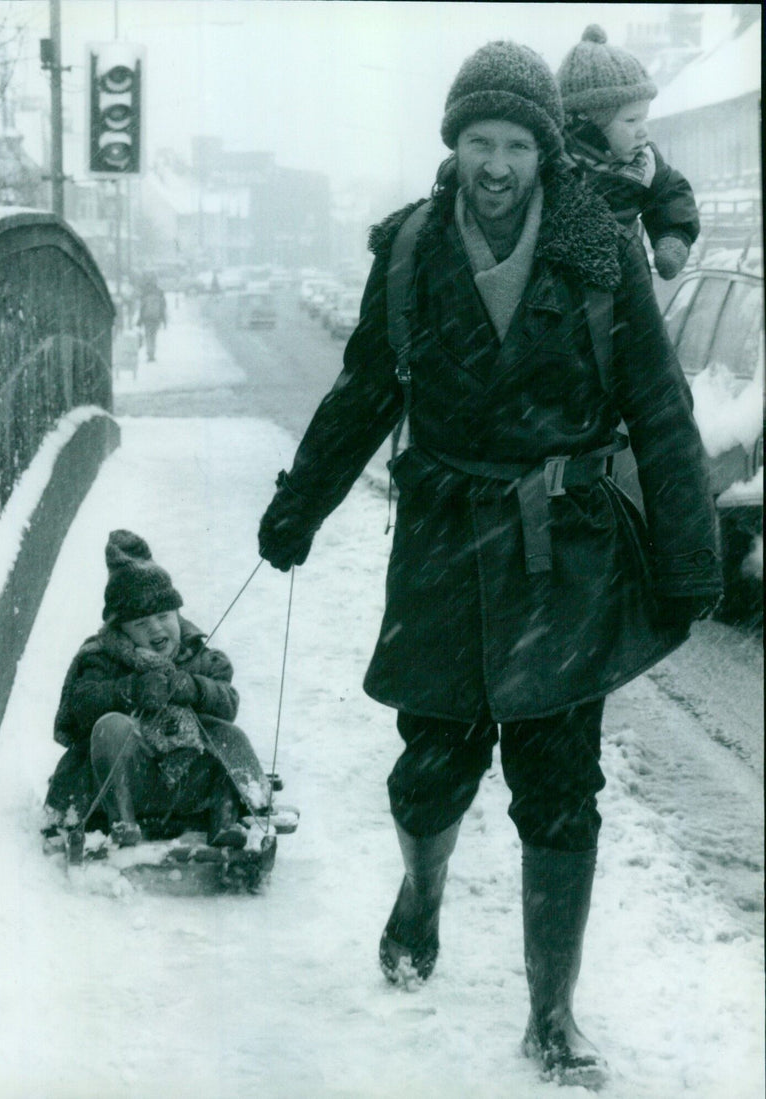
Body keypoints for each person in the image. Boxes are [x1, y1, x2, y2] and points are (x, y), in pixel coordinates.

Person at [258, 39, 722, 1088]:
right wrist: (299, 505)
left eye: (516, 142)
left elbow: (656, 405)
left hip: (563, 552)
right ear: (453, 143)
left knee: (558, 783)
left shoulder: (600, 248)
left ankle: (549, 1014)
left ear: (546, 150)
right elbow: (364, 392)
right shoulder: (413, 249)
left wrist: (689, 557)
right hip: (441, 540)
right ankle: (420, 896)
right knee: (432, 766)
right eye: (480, 140)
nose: (498, 163)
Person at [44, 530, 272, 848]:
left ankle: (229, 820)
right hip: (124, 781)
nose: (155, 628)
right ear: (120, 630)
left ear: (177, 613)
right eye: (140, 624)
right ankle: (122, 823)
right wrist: (130, 689)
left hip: (188, 782)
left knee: (228, 737)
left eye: (163, 616)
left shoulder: (198, 655)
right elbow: (81, 703)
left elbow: (228, 703)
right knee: (111, 728)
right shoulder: (102, 657)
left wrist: (192, 687)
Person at [557, 25, 700, 280]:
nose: (643, 132)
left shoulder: (643, 163)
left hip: (627, 282)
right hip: (564, 286)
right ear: (588, 124)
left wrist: (673, 238)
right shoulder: (555, 165)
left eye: (644, 119)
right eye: (631, 120)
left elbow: (670, 194)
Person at [137, 275, 168, 362]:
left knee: (148, 336)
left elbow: (142, 308)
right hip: (156, 318)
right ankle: (152, 354)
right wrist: (164, 320)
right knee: (154, 336)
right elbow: (163, 307)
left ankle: (149, 353)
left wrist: (139, 320)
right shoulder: (160, 292)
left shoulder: (145, 293)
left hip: (147, 318)